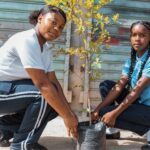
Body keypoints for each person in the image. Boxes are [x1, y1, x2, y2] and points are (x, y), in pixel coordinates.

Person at [0, 5, 78, 150]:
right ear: (40, 19)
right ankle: (22, 145)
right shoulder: (27, 40)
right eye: (53, 22)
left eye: (61, 27)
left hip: (7, 89)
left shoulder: (45, 48)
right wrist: (67, 118)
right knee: (43, 96)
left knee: (57, 103)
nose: (57, 29)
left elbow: (53, 81)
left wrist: (69, 112)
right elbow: (43, 85)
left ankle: (4, 128)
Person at [92, 21, 150, 150]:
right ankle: (112, 130)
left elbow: (137, 90)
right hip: (140, 103)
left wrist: (114, 113)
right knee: (106, 86)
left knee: (105, 113)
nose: (137, 39)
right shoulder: (132, 59)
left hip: (147, 107)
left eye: (142, 35)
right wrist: (96, 110)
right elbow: (119, 86)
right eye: (134, 35)